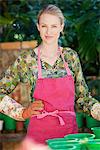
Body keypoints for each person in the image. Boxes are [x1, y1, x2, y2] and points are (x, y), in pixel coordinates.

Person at [0, 4, 100, 144]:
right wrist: (23, 112)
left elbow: (83, 98)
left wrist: (98, 111)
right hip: (39, 139)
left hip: (69, 137)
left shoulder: (70, 57)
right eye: (44, 26)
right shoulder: (27, 60)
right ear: (38, 27)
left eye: (54, 26)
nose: (49, 31)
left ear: (61, 27)